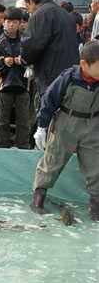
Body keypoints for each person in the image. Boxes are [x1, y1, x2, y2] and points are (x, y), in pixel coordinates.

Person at [30, 40, 99, 221]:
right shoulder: (69, 77)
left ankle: (95, 206)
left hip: (93, 125)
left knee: (96, 167)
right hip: (66, 124)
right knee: (53, 160)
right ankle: (38, 199)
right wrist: (42, 126)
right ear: (84, 64)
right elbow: (49, 100)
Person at [20, 0, 80, 105]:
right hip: (70, 77)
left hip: (51, 79)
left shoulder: (39, 15)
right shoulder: (66, 16)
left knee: (48, 119)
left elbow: (31, 48)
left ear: (31, 0)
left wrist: (23, 59)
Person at [0, 6, 29, 149]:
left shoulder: (25, 41)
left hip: (23, 86)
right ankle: (1, 146)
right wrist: (3, 61)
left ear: (20, 23)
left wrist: (21, 61)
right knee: (3, 120)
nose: (11, 25)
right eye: (9, 21)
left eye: (15, 22)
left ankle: (23, 146)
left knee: (23, 121)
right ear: (4, 22)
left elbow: (32, 61)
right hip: (4, 86)